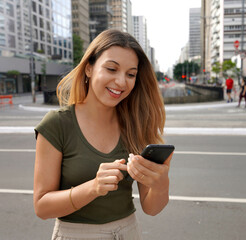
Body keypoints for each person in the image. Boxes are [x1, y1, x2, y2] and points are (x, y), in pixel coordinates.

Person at [34, 29, 172, 240]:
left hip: (128, 233)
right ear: (89, 68)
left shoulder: (136, 125)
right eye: (111, 69)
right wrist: (93, 187)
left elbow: (151, 208)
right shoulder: (57, 124)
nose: (121, 82)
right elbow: (42, 207)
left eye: (131, 74)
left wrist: (161, 183)